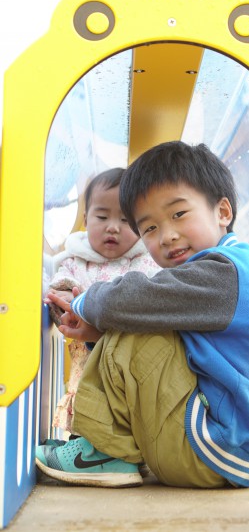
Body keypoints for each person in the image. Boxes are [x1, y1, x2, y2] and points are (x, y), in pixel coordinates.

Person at [37, 141, 249, 490]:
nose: (167, 236)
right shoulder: (220, 271)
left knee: (134, 312)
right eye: (149, 228)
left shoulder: (223, 274)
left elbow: (132, 301)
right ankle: (109, 451)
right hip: (215, 444)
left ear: (222, 211)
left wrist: (81, 303)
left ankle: (104, 451)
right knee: (137, 317)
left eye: (179, 214)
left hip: (212, 445)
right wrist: (96, 332)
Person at [44, 167, 160, 434]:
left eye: (125, 220)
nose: (112, 227)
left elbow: (146, 296)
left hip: (128, 361)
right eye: (102, 216)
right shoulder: (75, 261)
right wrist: (64, 297)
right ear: (86, 218)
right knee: (86, 401)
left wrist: (87, 305)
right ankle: (84, 449)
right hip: (87, 359)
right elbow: (58, 290)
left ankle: (127, 452)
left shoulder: (143, 260)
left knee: (128, 407)